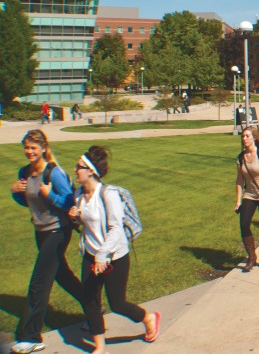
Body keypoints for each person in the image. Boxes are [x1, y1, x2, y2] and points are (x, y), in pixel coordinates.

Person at [68, 146, 160, 353]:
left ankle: (148, 318)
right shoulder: (79, 195)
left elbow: (115, 228)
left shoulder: (108, 194)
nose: (75, 170)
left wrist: (102, 255)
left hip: (115, 256)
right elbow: (86, 226)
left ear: (90, 171)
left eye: (78, 166)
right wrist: (75, 218)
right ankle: (100, 347)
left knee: (117, 303)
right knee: (90, 300)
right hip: (91, 255)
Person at [10, 130, 84, 354]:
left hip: (58, 231)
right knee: (62, 275)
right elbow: (30, 201)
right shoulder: (25, 172)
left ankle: (30, 336)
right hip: (40, 230)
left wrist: (49, 194)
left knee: (39, 282)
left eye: (33, 147)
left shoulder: (54, 173)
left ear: (43, 148)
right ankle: (93, 305)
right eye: (26, 147)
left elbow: (70, 202)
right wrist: (15, 192)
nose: (29, 152)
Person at [235, 127, 259, 271]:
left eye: (247, 136)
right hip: (250, 195)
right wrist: (238, 200)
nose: (244, 138)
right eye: (243, 136)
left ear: (254, 138)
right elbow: (239, 180)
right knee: (244, 224)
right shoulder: (240, 157)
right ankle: (251, 257)